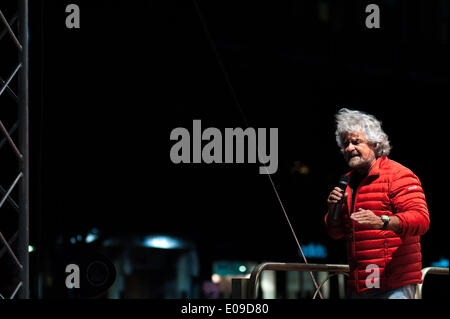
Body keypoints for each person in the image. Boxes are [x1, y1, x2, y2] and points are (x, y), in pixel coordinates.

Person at [325, 108, 430, 299]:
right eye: (345, 143)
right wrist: (333, 213)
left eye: (356, 142)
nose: (349, 148)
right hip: (359, 285)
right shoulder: (346, 181)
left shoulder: (398, 175)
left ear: (375, 144)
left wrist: (383, 221)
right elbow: (336, 233)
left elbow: (421, 220)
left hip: (394, 284)